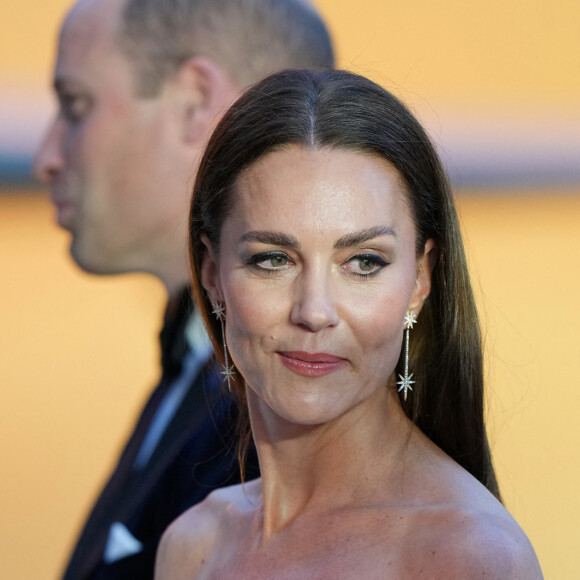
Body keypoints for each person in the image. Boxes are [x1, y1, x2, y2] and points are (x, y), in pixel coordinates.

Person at [155, 69, 543, 579]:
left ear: (421, 280)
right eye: (273, 259)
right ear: (211, 274)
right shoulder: (193, 546)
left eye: (363, 262)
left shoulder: (467, 555)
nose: (315, 311)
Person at [33, 0, 334, 578]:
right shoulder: (204, 362)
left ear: (195, 102)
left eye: (75, 105)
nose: (47, 156)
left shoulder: (290, 416)